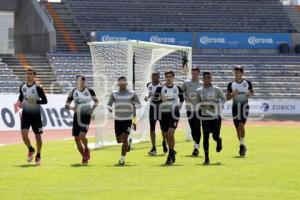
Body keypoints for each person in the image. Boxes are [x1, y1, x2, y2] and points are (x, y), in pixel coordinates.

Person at [16, 68, 47, 165]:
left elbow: (45, 101)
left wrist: (35, 101)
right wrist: (20, 103)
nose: (28, 75)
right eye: (27, 73)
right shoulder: (23, 86)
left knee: (38, 138)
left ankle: (38, 154)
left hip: (36, 116)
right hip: (25, 115)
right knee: (24, 135)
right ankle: (30, 149)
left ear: (34, 76)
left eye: (30, 74)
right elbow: (21, 96)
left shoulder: (38, 87)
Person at [107, 76, 141, 166]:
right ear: (118, 84)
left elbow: (139, 105)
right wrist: (109, 108)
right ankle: (128, 143)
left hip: (128, 119)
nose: (122, 84)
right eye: (120, 82)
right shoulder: (114, 93)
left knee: (124, 137)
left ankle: (122, 159)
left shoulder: (132, 93)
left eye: (124, 82)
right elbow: (109, 104)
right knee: (119, 140)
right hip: (118, 120)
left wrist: (134, 108)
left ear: (126, 83)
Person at [65, 75, 98, 165]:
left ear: (84, 82)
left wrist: (91, 110)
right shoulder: (73, 92)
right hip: (77, 117)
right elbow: (66, 105)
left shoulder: (89, 91)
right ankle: (84, 157)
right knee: (76, 139)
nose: (79, 82)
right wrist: (72, 108)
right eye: (77, 81)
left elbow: (96, 102)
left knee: (82, 136)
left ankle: (86, 148)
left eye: (80, 81)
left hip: (86, 116)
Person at [154, 70, 184, 165]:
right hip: (163, 114)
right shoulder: (160, 88)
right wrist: (161, 99)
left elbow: (182, 99)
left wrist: (179, 104)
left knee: (171, 134)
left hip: (174, 113)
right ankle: (172, 151)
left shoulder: (177, 88)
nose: (168, 78)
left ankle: (169, 155)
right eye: (167, 77)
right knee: (166, 135)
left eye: (170, 76)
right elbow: (155, 100)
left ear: (173, 77)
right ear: (165, 78)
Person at [196, 72, 226, 165]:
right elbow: (197, 104)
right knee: (205, 137)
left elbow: (224, 99)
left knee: (215, 136)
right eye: (205, 77)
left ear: (211, 79)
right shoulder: (199, 91)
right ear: (202, 79)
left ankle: (219, 140)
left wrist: (216, 105)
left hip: (216, 116)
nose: (207, 79)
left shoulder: (217, 89)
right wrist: (202, 104)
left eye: (208, 77)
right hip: (205, 116)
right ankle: (206, 158)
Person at [226, 66, 254, 157]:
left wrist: (249, 94)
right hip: (235, 107)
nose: (236, 74)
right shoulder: (231, 84)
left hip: (244, 106)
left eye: (238, 73)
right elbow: (227, 97)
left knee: (241, 124)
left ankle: (242, 146)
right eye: (235, 73)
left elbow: (252, 92)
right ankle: (242, 145)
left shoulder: (247, 83)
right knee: (237, 127)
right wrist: (233, 94)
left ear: (242, 73)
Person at [145, 72, 167, 155]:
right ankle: (153, 147)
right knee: (152, 127)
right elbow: (149, 93)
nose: (154, 77)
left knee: (163, 128)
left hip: (161, 108)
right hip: (152, 108)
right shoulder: (149, 85)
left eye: (156, 76)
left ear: (159, 76)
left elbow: (160, 96)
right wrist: (147, 97)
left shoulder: (162, 85)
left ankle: (164, 141)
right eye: (153, 75)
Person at [182, 66, 202, 156]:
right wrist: (185, 97)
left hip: (199, 109)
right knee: (192, 128)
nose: (194, 74)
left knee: (197, 126)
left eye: (196, 73)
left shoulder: (202, 83)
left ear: (199, 73)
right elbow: (180, 93)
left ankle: (196, 146)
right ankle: (196, 143)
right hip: (189, 109)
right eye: (193, 73)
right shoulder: (186, 83)